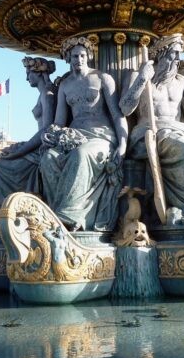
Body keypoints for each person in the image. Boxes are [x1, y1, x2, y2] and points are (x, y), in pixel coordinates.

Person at [40, 36, 127, 231]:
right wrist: (50, 134)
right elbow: (59, 122)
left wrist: (122, 144)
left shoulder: (102, 78)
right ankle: (55, 214)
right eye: (74, 56)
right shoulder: (65, 85)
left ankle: (70, 217)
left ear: (88, 56)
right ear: (68, 59)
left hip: (101, 136)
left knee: (81, 155)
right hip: (75, 136)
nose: (78, 59)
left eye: (81, 55)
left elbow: (117, 116)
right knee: (48, 158)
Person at [120, 34, 184, 216]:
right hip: (147, 133)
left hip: (176, 131)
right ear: (161, 54)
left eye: (179, 55)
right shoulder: (137, 76)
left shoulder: (181, 82)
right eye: (174, 54)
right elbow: (125, 108)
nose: (177, 60)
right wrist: (142, 79)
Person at [0, 57, 57, 206]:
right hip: (40, 144)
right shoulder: (44, 93)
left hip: (45, 146)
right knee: (2, 160)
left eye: (29, 73)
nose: (27, 78)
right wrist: (20, 146)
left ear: (38, 72)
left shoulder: (48, 93)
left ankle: (9, 213)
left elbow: (46, 129)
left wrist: (20, 150)